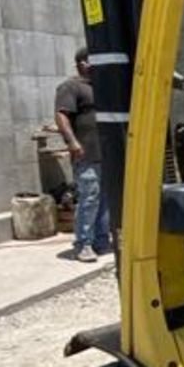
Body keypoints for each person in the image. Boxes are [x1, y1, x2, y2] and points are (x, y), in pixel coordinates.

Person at [55, 48, 111, 262]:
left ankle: (101, 240)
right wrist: (72, 142)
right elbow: (61, 115)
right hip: (86, 154)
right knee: (89, 198)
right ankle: (83, 244)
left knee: (105, 199)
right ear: (83, 63)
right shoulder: (71, 87)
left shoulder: (98, 88)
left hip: (105, 154)